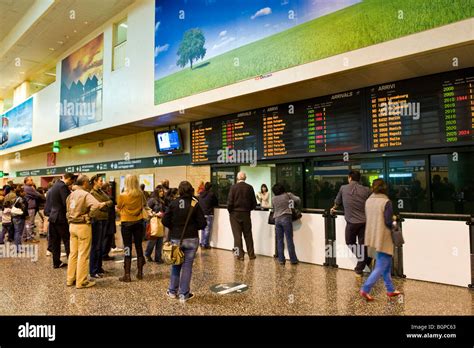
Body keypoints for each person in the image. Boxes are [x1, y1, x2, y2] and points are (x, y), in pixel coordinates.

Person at [162, 181, 206, 301]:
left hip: (176, 239)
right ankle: (183, 294)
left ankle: (172, 292)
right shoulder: (194, 203)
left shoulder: (173, 203)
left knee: (176, 264)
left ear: (180, 191)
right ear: (191, 190)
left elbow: (165, 221)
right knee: (187, 266)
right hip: (192, 239)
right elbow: (203, 223)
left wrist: (174, 227)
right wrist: (193, 227)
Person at [360, 179, 402, 301]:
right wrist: (394, 220)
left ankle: (390, 289)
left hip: (372, 235)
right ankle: (365, 289)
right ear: (385, 188)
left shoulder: (368, 201)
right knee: (381, 265)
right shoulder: (386, 202)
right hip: (383, 236)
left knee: (385, 265)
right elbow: (388, 221)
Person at [66, 175, 105, 289]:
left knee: (73, 253)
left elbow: (67, 210)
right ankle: (81, 281)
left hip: (72, 226)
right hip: (82, 226)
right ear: (84, 183)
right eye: (88, 182)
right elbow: (96, 205)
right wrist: (88, 215)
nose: (89, 183)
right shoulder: (85, 194)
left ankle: (70, 279)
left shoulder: (71, 194)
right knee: (83, 254)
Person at [331, 170, 372, 277]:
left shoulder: (343, 188)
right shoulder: (367, 190)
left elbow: (337, 202)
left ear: (349, 178)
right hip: (364, 221)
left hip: (351, 222)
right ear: (359, 179)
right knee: (363, 245)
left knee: (349, 242)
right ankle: (365, 260)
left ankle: (361, 266)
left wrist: (334, 208)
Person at [117, 174, 147, 282]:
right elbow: (144, 205)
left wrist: (122, 211)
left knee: (127, 247)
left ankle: (127, 274)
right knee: (139, 246)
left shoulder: (123, 195)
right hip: (138, 223)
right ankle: (140, 273)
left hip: (126, 224)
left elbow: (119, 207)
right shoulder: (140, 194)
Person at [44, 173, 75, 269]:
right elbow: (66, 202)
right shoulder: (62, 187)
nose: (71, 183)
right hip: (61, 218)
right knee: (67, 240)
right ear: (69, 179)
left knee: (55, 241)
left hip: (53, 217)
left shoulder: (54, 186)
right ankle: (72, 262)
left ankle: (56, 262)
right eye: (72, 181)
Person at [227, 172, 257, 260]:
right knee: (248, 234)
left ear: (237, 178)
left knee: (237, 236)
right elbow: (254, 203)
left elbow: (229, 202)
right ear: (245, 178)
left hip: (235, 214)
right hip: (246, 214)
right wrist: (248, 210)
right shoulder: (249, 187)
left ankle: (239, 255)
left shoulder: (233, 187)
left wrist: (231, 212)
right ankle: (251, 254)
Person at [89, 175, 114, 278]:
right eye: (100, 181)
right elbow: (97, 205)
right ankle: (93, 270)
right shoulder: (92, 193)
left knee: (100, 245)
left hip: (104, 220)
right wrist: (103, 205)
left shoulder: (101, 192)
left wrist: (104, 204)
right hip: (97, 220)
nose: (101, 182)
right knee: (96, 246)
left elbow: (110, 201)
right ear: (95, 181)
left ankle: (99, 267)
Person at [271, 183, 300, 265]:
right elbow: (298, 200)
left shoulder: (273, 199)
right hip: (286, 218)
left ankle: (281, 259)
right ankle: (293, 260)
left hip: (277, 219)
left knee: (279, 240)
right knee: (289, 239)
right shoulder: (288, 195)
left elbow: (273, 208)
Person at [145, 185, 165, 263]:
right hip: (153, 221)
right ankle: (147, 254)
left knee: (160, 240)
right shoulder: (152, 200)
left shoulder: (161, 200)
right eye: (160, 191)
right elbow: (147, 210)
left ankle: (158, 257)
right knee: (153, 240)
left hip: (160, 222)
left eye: (162, 191)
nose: (162, 192)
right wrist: (155, 214)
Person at [198, 182, 218, 249]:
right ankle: (205, 244)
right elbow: (216, 203)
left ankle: (201, 242)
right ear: (210, 188)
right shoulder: (211, 194)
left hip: (201, 214)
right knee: (207, 229)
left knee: (203, 229)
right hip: (209, 214)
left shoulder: (200, 194)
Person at [12, 185, 28, 253]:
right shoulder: (22, 199)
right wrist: (26, 215)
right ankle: (18, 248)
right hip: (20, 217)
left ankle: (18, 247)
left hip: (15, 217)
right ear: (21, 192)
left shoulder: (16, 198)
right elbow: (24, 209)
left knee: (16, 232)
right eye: (24, 191)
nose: (25, 192)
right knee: (18, 233)